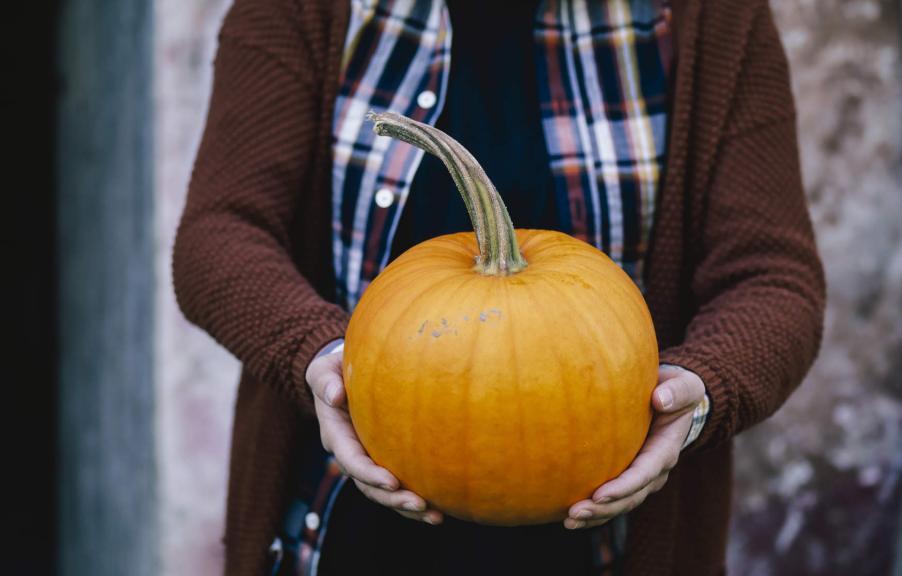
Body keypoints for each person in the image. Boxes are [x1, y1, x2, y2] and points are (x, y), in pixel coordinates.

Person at [172, 0, 826, 574]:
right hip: (344, 524)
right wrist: (320, 359)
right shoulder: (307, 10)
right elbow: (219, 232)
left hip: (612, 541)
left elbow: (772, 278)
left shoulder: (712, 18)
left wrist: (700, 389)